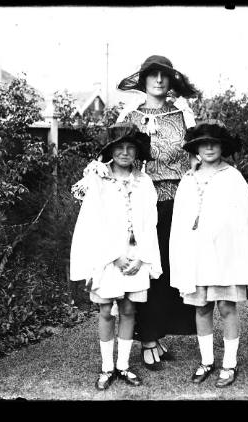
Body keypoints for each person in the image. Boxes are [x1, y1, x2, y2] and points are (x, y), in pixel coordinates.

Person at [113, 55, 199, 370]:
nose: (159, 81)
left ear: (171, 81)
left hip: (179, 199)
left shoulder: (183, 115)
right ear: (144, 80)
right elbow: (120, 157)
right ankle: (147, 337)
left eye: (165, 75)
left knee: (171, 270)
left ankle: (158, 332)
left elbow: (196, 157)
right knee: (147, 267)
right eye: (153, 75)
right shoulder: (130, 115)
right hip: (142, 200)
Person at [169, 120, 248, 388]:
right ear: (196, 148)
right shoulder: (188, 179)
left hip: (225, 256)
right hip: (197, 256)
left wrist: (233, 249)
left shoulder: (232, 177)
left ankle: (229, 364)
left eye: (214, 143)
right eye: (203, 143)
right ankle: (207, 361)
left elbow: (244, 220)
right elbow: (181, 222)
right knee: (201, 308)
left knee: (225, 306)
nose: (209, 147)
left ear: (222, 147)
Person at [70, 122, 161, 391]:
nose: (124, 152)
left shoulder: (144, 182)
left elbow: (149, 221)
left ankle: (123, 366)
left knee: (130, 308)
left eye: (130, 148)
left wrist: (142, 255)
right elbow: (93, 222)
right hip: (108, 256)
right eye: (119, 147)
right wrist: (114, 255)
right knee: (106, 310)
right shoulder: (99, 178)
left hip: (136, 254)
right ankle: (107, 368)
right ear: (111, 151)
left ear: (136, 152)